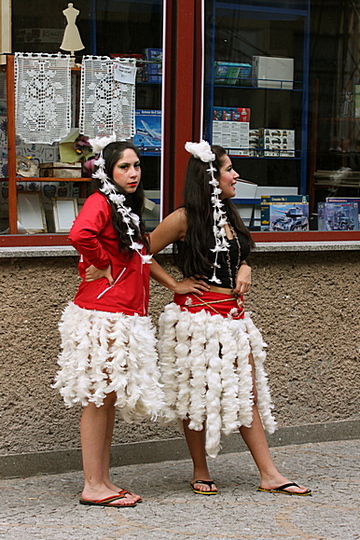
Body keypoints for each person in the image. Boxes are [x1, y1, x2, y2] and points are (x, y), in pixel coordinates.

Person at [149, 141, 311, 497]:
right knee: (196, 396)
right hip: (195, 319)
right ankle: (200, 469)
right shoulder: (183, 218)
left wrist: (246, 265)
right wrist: (175, 283)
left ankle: (269, 474)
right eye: (228, 169)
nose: (236, 175)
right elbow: (140, 253)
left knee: (246, 392)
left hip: (234, 319)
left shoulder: (228, 213)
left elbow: (244, 251)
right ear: (210, 176)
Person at [53, 136, 163, 508]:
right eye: (124, 167)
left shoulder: (124, 205)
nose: (133, 173)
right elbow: (79, 234)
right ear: (108, 171)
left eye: (136, 166)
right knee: (99, 398)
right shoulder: (101, 201)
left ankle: (101, 480)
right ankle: (93, 485)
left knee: (108, 397)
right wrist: (104, 263)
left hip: (122, 312)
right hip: (105, 313)